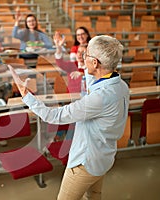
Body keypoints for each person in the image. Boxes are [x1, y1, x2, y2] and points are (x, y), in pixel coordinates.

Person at [9, 35, 130, 200]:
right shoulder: (121, 86)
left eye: (86, 54)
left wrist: (26, 95)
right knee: (94, 196)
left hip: (85, 163)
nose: (82, 56)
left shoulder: (100, 98)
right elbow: (94, 88)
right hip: (103, 157)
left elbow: (53, 115)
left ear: (95, 63)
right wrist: (85, 67)